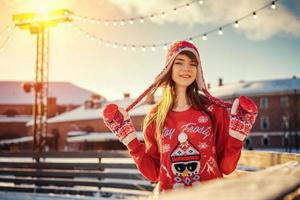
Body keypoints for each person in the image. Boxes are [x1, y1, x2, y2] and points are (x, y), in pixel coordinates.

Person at [102, 40, 257, 193]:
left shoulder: (214, 109)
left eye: (192, 64)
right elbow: (154, 174)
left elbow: (226, 168)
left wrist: (237, 137)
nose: (186, 68)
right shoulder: (155, 115)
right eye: (179, 62)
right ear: (169, 67)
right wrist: (131, 141)